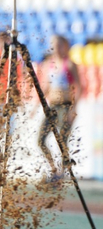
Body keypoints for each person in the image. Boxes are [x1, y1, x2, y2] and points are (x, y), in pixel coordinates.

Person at [38, 35, 82, 170]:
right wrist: (36, 105)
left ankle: (62, 171)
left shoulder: (69, 64)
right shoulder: (49, 65)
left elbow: (79, 87)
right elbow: (46, 87)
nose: (56, 48)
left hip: (65, 105)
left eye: (59, 45)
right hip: (52, 106)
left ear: (64, 46)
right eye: (53, 45)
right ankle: (53, 168)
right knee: (41, 140)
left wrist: (73, 108)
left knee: (63, 139)